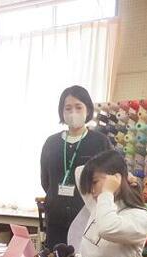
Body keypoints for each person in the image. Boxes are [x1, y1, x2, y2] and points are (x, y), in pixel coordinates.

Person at [40, 85, 112, 248]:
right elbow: (45, 181)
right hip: (55, 221)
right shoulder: (51, 143)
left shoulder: (100, 142)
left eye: (78, 107)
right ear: (61, 112)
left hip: (87, 221)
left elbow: (109, 179)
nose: (73, 112)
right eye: (68, 108)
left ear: (88, 110)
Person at [73, 150, 147, 257]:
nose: (91, 190)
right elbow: (79, 171)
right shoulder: (99, 203)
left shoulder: (141, 217)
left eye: (95, 182)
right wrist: (124, 176)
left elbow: (106, 229)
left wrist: (107, 191)